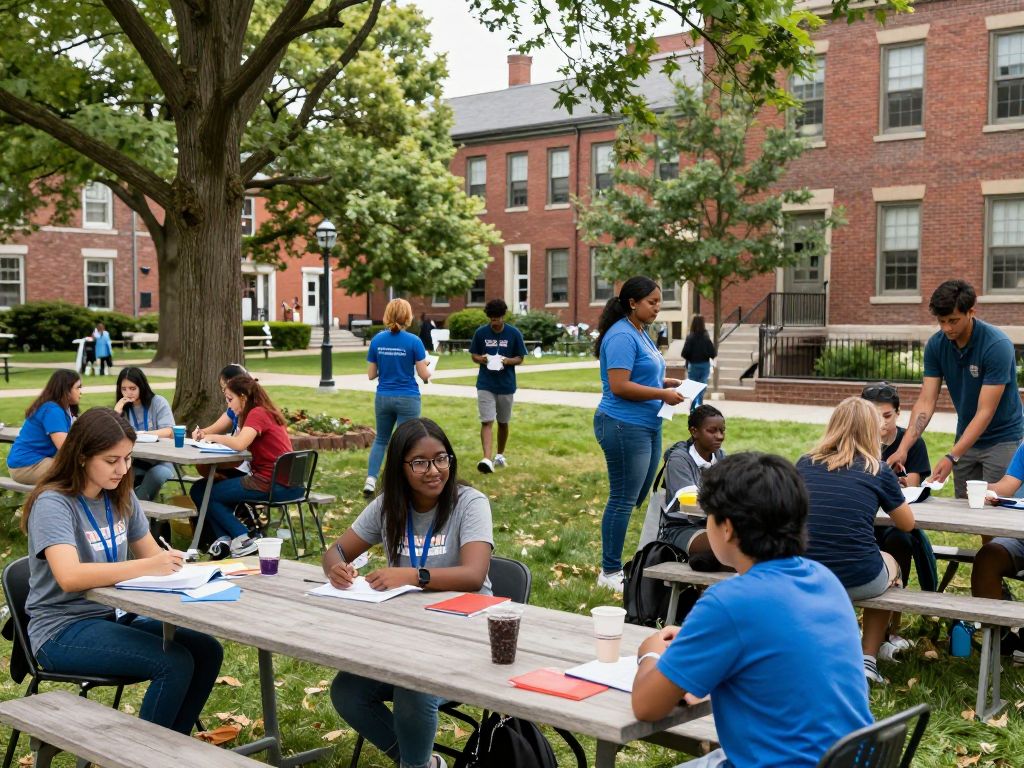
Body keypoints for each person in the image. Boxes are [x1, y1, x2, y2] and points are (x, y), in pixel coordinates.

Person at [632, 452, 873, 768]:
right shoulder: (824, 579)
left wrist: (650, 653)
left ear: (727, 528)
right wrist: (701, 645)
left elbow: (646, 707)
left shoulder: (728, 602)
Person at [22, 407, 222, 734]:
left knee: (207, 649)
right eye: (112, 461)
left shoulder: (120, 494)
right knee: (172, 662)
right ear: (83, 457)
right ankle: (143, 755)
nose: (123, 469)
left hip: (112, 615)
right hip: (61, 629)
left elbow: (153, 556)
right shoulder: (53, 503)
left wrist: (176, 565)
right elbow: (69, 577)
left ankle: (172, 748)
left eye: (128, 458)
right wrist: (148, 565)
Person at [323, 418, 492, 768]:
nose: (433, 470)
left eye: (441, 458)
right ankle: (422, 763)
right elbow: (335, 551)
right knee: (347, 692)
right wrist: (335, 568)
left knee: (414, 685)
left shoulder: (470, 503)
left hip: (466, 635)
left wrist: (412, 575)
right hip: (407, 636)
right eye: (420, 462)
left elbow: (474, 575)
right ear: (400, 467)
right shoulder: (388, 506)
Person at [798, 396, 915, 684]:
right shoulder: (877, 469)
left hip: (803, 573)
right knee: (892, 566)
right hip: (858, 578)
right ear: (871, 431)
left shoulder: (804, 463)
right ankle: (868, 659)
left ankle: (817, 651)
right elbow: (906, 524)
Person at [888, 280, 1023, 499]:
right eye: (941, 321)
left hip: (1003, 439)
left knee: (996, 510)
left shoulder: (996, 345)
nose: (946, 328)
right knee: (968, 507)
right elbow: (926, 401)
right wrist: (903, 448)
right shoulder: (936, 345)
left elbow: (985, 412)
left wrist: (952, 457)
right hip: (966, 437)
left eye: (953, 321)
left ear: (971, 312)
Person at [593, 276, 685, 592]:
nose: (658, 307)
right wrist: (661, 395)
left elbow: (641, 375)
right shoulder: (621, 336)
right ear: (633, 303)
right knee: (622, 497)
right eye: (653, 302)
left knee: (640, 492)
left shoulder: (640, 331)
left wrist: (665, 384)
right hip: (622, 425)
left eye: (659, 301)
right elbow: (619, 386)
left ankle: (625, 560)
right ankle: (609, 572)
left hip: (648, 424)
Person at [190, 376, 300, 558]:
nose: (229, 405)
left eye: (230, 399)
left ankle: (243, 538)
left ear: (243, 396)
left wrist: (213, 437)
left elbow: (240, 444)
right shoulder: (263, 411)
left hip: (273, 483)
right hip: (283, 481)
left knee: (211, 494)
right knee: (200, 488)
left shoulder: (257, 413)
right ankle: (225, 540)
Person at [363, 299, 431, 497]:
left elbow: (371, 374)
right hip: (408, 397)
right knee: (406, 441)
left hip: (383, 396)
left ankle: (371, 479)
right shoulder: (414, 341)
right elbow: (424, 375)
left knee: (381, 439)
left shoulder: (377, 340)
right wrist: (426, 364)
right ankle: (401, 482)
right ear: (407, 316)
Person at [659, 405, 726, 568]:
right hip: (681, 529)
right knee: (735, 548)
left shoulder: (721, 457)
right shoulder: (679, 460)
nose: (719, 436)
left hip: (715, 526)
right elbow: (691, 506)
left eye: (722, 431)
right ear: (694, 432)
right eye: (712, 431)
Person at [469, 299, 527, 474]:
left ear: (503, 316)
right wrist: (483, 359)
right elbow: (474, 355)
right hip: (486, 383)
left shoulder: (513, 333)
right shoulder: (481, 333)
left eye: (497, 319)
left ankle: (500, 455)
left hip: (506, 384)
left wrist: (507, 361)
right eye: (491, 319)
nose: (494, 322)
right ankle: (487, 459)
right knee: (487, 420)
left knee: (503, 422)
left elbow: (520, 358)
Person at [6, 370, 82, 484]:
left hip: (33, 461)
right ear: (66, 390)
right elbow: (65, 447)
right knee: (77, 471)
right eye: (78, 388)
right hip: (25, 466)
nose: (81, 392)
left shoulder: (61, 408)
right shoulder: (52, 410)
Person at [113, 367, 176, 500]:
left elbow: (169, 431)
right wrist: (116, 413)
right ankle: (134, 510)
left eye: (132, 388)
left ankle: (135, 513)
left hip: (162, 460)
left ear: (141, 386)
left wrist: (143, 434)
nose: (128, 393)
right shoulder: (123, 408)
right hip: (137, 460)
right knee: (118, 477)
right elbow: (112, 435)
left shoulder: (158, 402)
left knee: (157, 475)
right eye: (124, 389)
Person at [193, 363, 251, 481]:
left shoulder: (253, 413)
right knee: (202, 468)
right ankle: (223, 488)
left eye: (223, 388)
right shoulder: (233, 409)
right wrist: (200, 433)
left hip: (249, 467)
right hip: (242, 463)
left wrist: (211, 437)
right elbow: (211, 430)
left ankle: (223, 489)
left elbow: (240, 444)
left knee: (203, 480)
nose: (224, 393)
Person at [681, 314, 715, 410]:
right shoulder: (706, 337)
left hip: (693, 364)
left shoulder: (690, 337)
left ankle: (694, 407)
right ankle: (699, 405)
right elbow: (712, 352)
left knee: (693, 387)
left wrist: (690, 358)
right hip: (704, 364)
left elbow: (684, 353)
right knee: (701, 386)